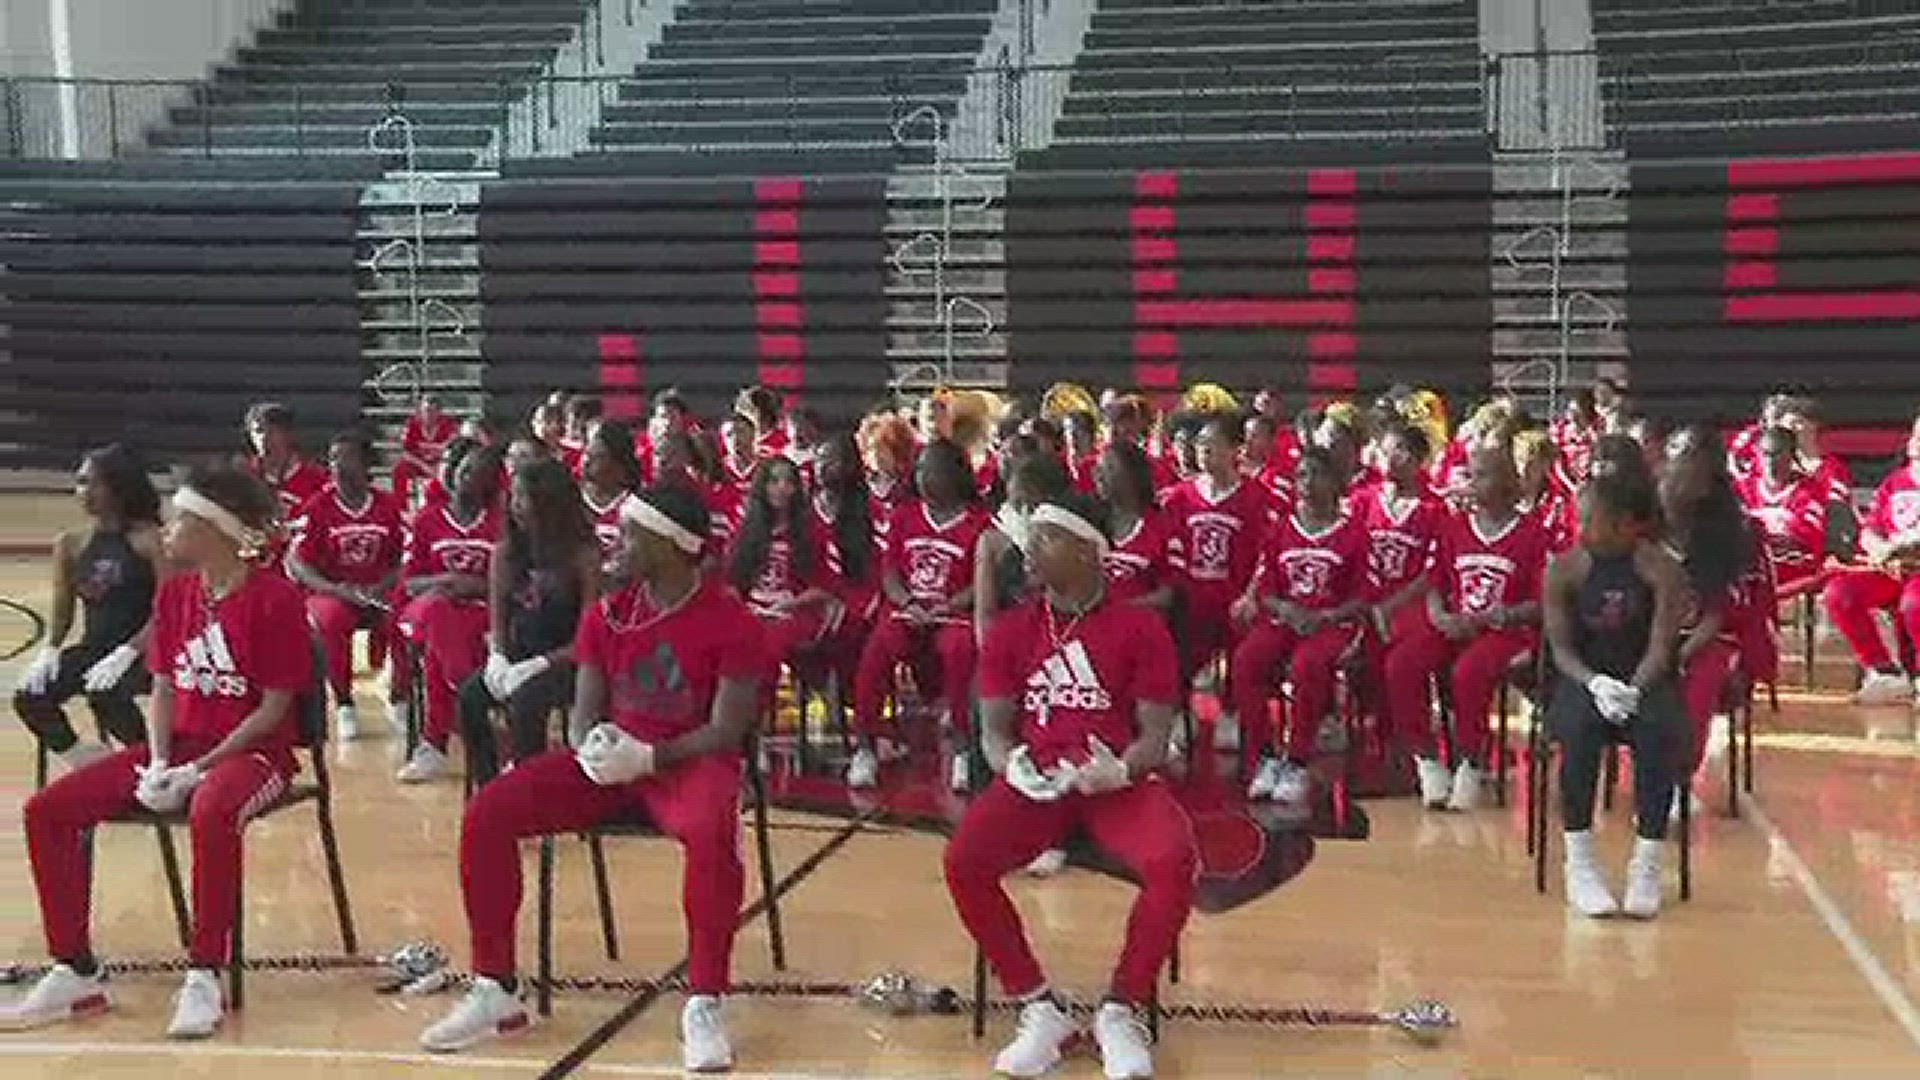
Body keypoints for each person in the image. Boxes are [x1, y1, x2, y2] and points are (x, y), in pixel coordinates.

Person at [419, 486, 762, 1071]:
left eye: (632, 535)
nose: (618, 545)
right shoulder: (608, 614)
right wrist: (592, 745)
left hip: (687, 761)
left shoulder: (731, 619)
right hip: (615, 759)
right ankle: (496, 986)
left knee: (711, 833)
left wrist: (651, 759)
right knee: (488, 814)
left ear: (673, 545)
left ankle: (704, 1000)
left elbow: (728, 730)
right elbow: (583, 712)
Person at [4, 465, 312, 1037]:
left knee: (212, 810)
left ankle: (204, 974)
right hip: (182, 749)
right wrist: (164, 760)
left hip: (255, 757)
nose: (167, 528)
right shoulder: (176, 594)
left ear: (217, 530)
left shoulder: (276, 600)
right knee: (46, 811)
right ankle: (74, 970)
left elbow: (272, 712)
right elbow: (166, 686)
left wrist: (201, 769)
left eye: (181, 520)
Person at [944, 492, 1194, 1080]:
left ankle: (1121, 1009)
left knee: (1176, 858)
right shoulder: (1011, 630)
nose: (1029, 548)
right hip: (1040, 782)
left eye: (1046, 537)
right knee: (964, 862)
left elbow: (1157, 736)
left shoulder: (1141, 627)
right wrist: (1011, 766)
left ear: (1088, 551)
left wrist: (1124, 768)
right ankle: (1037, 1006)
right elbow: (995, 732)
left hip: (1115, 782)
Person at [1543, 470, 1689, 919]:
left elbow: (1662, 647)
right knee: (1579, 734)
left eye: (1594, 521)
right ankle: (1580, 862)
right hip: (1583, 677)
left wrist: (1632, 688)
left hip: (1645, 677)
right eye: (1580, 519)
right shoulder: (1564, 569)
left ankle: (1647, 862)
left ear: (1628, 524)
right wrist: (1595, 683)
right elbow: (1561, 649)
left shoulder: (1661, 569)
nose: (1583, 529)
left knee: (1657, 733)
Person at [1382, 445, 1550, 810]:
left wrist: (1496, 617)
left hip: (1504, 630)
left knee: (1467, 674)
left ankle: (1471, 763)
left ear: (1509, 481)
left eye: (1483, 475)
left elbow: (1541, 604)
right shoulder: (1453, 527)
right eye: (1471, 474)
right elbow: (1435, 582)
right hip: (1455, 624)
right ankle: (1427, 760)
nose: (1472, 483)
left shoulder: (1533, 532)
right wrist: (1439, 616)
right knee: (1401, 664)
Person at [1229, 449, 1369, 803]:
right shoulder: (1280, 531)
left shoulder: (1354, 534)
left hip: (1332, 623)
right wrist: (1288, 610)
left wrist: (1326, 617)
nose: (1306, 484)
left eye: (1316, 475)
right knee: (1248, 659)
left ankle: (1298, 760)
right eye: (1301, 475)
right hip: (1286, 617)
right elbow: (1266, 589)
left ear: (1337, 484)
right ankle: (1263, 756)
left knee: (1310, 664)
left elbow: (1362, 597)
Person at [847, 439, 988, 788]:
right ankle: (865, 746)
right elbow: (890, 572)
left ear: (955, 475)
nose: (924, 477)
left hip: (952, 611)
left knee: (959, 651)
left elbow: (981, 583)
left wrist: (948, 604)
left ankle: (961, 749)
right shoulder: (904, 516)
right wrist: (906, 602)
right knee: (876, 652)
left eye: (933, 470)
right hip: (907, 609)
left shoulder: (979, 522)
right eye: (921, 469)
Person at [13, 446, 162, 771]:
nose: (83, 492)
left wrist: (130, 650)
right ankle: (89, 764)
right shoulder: (70, 544)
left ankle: (152, 764)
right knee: (30, 696)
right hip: (95, 648)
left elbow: (168, 608)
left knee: (107, 695)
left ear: (118, 488)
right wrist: (49, 650)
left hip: (146, 650)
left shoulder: (149, 540)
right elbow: (63, 609)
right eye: (80, 483)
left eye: (91, 483)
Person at [459, 459, 600, 786]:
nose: (517, 506)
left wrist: (540, 664)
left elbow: (588, 636)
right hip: (519, 654)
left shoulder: (583, 555)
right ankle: (487, 784)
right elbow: (498, 621)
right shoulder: (505, 553)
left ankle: (528, 788)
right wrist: (498, 657)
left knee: (528, 700)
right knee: (470, 696)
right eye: (514, 497)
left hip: (569, 659)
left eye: (525, 498)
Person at [1160, 415, 1276, 747]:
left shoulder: (1255, 497)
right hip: (1192, 595)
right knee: (1176, 646)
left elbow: (1266, 555)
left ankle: (1231, 711)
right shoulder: (1180, 496)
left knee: (1244, 646)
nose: (1204, 453)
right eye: (1200, 447)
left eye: (1212, 446)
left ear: (1234, 450)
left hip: (1235, 597)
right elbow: (1172, 547)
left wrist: (1252, 596)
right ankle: (1182, 715)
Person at [395, 443, 506, 783]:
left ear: (490, 483)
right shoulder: (428, 519)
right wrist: (446, 580)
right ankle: (467, 694)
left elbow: (511, 584)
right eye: (463, 469)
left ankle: (434, 745)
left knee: (436, 655)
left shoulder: (500, 523)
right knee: (440, 612)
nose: (466, 478)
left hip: (480, 610)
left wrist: (474, 585)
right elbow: (409, 582)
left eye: (477, 474)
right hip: (425, 607)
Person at [286, 429, 406, 741]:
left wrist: (381, 586)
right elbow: (297, 563)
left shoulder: (388, 506)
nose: (338, 465)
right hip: (332, 590)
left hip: (378, 588)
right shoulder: (316, 507)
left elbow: (405, 558)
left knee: (405, 611)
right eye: (333, 458)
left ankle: (399, 695)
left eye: (347, 457)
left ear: (366, 463)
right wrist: (334, 589)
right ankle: (343, 702)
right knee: (330, 619)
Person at [1662, 429, 1761, 806]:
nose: (1675, 474)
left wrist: (1679, 655)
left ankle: (1677, 781)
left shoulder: (1727, 534)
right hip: (1647, 634)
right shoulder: (1641, 526)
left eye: (1687, 467)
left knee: (1699, 679)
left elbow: (1716, 618)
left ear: (1705, 483)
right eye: (1673, 463)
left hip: (1706, 637)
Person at [1822, 411, 1920, 704]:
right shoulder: (1894, 482)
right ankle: (1883, 671)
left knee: (1914, 603)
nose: (1917, 444)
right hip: (1889, 567)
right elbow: (1870, 530)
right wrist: (1879, 550)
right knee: (1840, 593)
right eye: (1916, 436)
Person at [729, 456, 842, 702]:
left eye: (788, 482)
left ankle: (753, 715)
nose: (781, 488)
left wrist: (788, 605)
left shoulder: (812, 529)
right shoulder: (747, 529)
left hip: (797, 611)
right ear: (762, 487)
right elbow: (734, 581)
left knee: (766, 644)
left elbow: (825, 587)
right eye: (773, 481)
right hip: (753, 610)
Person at [1735, 425, 1831, 598]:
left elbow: (1808, 539)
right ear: (1756, 453)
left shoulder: (1810, 491)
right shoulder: (1742, 488)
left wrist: (1760, 528)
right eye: (1766, 454)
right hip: (1752, 565)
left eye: (1778, 453)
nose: (1771, 462)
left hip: (1794, 569)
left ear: (1791, 454)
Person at [1097, 442, 1179, 613]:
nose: (1099, 476)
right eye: (1099, 468)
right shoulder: (1093, 522)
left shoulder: (1163, 527)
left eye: (1109, 468)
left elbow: (1170, 595)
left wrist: (1118, 610)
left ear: (1133, 477)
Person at [581, 421, 643, 580]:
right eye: (587, 454)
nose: (587, 462)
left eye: (598, 456)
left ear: (620, 465)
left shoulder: (638, 506)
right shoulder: (570, 500)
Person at [395, 396, 460, 507]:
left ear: (439, 412)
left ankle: (444, 506)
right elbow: (405, 452)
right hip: (418, 463)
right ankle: (401, 507)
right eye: (426, 411)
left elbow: (453, 448)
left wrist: (440, 464)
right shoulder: (412, 425)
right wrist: (423, 466)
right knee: (400, 469)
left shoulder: (449, 425)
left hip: (442, 463)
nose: (428, 415)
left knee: (452, 472)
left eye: (432, 411)